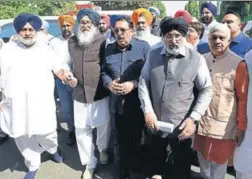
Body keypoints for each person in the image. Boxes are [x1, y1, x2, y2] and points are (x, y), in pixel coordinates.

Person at [0, 13, 64, 179]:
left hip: (41, 103)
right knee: (21, 136)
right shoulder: (7, 50)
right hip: (15, 104)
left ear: (36, 31)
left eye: (31, 29)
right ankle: (32, 164)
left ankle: (53, 149)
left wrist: (66, 76)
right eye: (24, 29)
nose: (28, 32)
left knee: (48, 133)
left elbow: (58, 69)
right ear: (18, 31)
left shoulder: (46, 49)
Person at [138, 17, 213, 179]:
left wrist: (193, 119)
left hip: (182, 128)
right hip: (156, 124)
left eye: (177, 36)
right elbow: (143, 81)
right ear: (163, 37)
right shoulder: (153, 55)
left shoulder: (196, 59)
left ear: (184, 36)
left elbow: (206, 89)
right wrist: (148, 111)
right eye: (169, 36)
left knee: (179, 170)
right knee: (156, 168)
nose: (173, 40)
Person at [194, 23, 248, 179]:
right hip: (201, 121)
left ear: (229, 40)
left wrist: (240, 127)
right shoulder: (200, 60)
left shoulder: (238, 64)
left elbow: (242, 98)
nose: (217, 41)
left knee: (219, 165)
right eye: (213, 37)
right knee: (202, 162)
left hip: (224, 125)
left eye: (222, 38)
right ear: (208, 39)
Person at [101, 16, 151, 179]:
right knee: (117, 139)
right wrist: (108, 83)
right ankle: (121, 171)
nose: (120, 34)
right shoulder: (108, 49)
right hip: (116, 104)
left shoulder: (144, 48)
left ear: (132, 31)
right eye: (116, 31)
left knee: (135, 137)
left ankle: (134, 167)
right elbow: (103, 72)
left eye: (123, 30)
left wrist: (133, 84)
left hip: (136, 104)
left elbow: (149, 75)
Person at [67, 9, 110, 179]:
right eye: (82, 22)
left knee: (103, 125)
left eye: (88, 22)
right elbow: (65, 64)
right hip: (79, 92)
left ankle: (103, 150)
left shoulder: (104, 41)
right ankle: (90, 163)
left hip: (99, 91)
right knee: (81, 129)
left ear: (94, 23)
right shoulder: (71, 42)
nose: (85, 25)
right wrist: (67, 74)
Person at [50, 15, 76, 146]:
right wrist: (62, 75)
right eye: (63, 26)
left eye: (68, 25)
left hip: (77, 81)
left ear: (73, 26)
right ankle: (72, 131)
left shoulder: (79, 40)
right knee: (67, 109)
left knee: (79, 108)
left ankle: (82, 132)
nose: (66, 28)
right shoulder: (54, 42)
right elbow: (52, 62)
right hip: (60, 81)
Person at [234, 50, 252, 179]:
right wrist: (241, 126)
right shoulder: (249, 58)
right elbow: (242, 95)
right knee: (244, 170)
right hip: (249, 128)